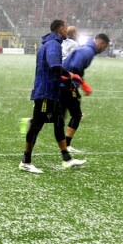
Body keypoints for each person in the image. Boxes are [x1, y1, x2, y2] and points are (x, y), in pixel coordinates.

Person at [20, 19, 84, 173]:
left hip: (51, 91)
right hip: (46, 92)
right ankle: (26, 161)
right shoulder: (53, 44)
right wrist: (70, 75)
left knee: (59, 122)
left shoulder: (49, 43)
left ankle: (67, 159)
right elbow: (54, 66)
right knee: (36, 125)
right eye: (65, 27)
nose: (66, 30)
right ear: (61, 29)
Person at [61, 33, 110, 154]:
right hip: (67, 85)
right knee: (75, 115)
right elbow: (74, 67)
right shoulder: (87, 51)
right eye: (105, 47)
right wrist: (82, 84)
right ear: (100, 43)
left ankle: (36, 122)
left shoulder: (86, 49)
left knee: (62, 115)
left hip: (63, 83)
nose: (104, 50)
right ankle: (65, 146)